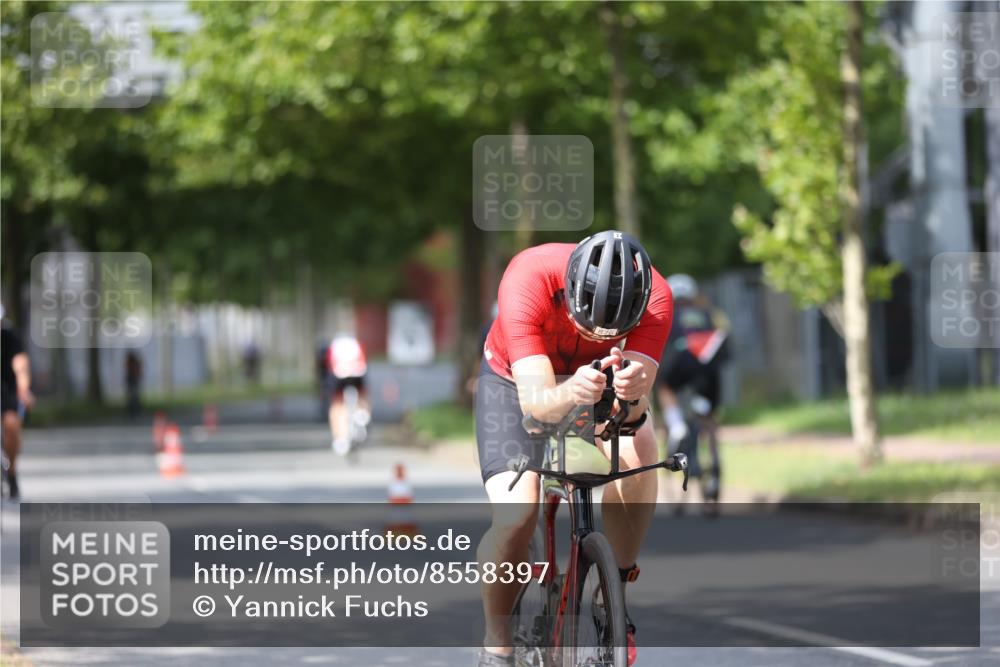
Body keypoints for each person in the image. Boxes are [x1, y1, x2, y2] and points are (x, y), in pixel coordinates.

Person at [474, 231, 673, 667]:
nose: (594, 333)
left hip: (597, 378)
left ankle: (612, 597)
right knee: (515, 515)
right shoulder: (528, 278)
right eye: (586, 322)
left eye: (611, 330)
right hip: (516, 382)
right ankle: (497, 642)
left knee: (640, 450)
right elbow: (537, 405)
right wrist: (571, 392)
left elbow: (634, 410)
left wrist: (634, 392)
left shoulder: (657, 296)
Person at [656, 274, 729, 509]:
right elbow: (725, 339)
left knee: (665, 387)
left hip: (679, 366)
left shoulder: (668, 316)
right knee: (707, 412)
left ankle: (676, 425)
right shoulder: (710, 314)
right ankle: (707, 428)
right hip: (708, 369)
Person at [2, 306, 34, 499]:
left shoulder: (10, 338)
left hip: (7, 389)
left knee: (12, 425)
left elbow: (20, 364)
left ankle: (11, 472)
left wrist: (23, 390)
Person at [325, 333, 370, 454]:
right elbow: (363, 359)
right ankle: (362, 412)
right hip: (357, 373)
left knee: (337, 404)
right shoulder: (356, 344)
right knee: (362, 394)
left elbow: (328, 364)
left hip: (339, 374)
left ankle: (340, 438)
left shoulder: (334, 346)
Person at [124, 351, 143, 420]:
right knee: (134, 397)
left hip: (132, 381)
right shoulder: (133, 363)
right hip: (132, 381)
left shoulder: (132, 363)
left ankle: (134, 411)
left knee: (133, 397)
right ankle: (134, 411)